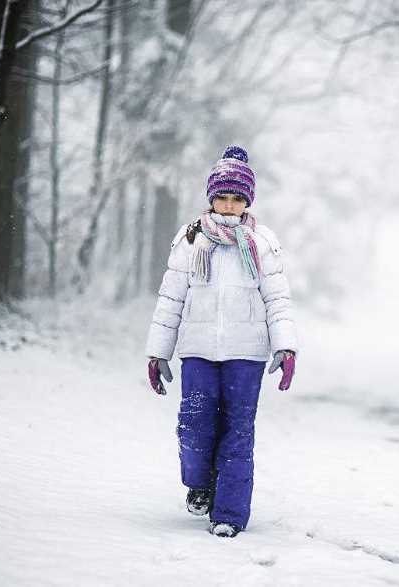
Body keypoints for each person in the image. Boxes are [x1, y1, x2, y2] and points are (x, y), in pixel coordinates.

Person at [144, 145, 298, 538]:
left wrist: (286, 346)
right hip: (197, 351)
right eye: (222, 198)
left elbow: (277, 299)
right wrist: (158, 351)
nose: (228, 207)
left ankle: (229, 513)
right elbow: (172, 296)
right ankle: (200, 483)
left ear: (247, 201)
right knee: (194, 426)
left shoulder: (261, 242)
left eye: (236, 199)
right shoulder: (192, 238)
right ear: (211, 198)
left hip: (246, 355)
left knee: (238, 431)